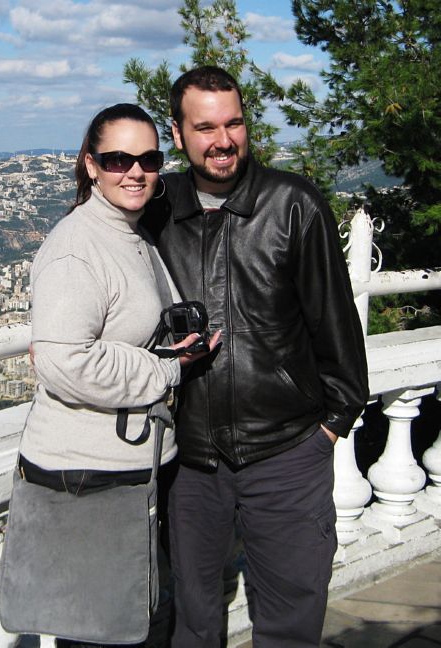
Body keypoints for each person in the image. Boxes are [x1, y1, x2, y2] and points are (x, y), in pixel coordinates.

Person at [140, 66, 369, 648]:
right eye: (206, 127)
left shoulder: (293, 204)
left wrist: (330, 428)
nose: (224, 140)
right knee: (193, 621)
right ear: (178, 132)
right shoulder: (157, 207)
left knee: (291, 619)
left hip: (289, 453)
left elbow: (337, 330)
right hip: (190, 463)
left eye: (234, 123)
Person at [18, 103, 219, 646]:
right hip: (88, 475)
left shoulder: (129, 235)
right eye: (117, 159)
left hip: (131, 466)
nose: (136, 171)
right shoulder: (76, 248)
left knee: (132, 617)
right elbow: (64, 361)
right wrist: (170, 367)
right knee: (101, 627)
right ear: (90, 164)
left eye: (149, 158)